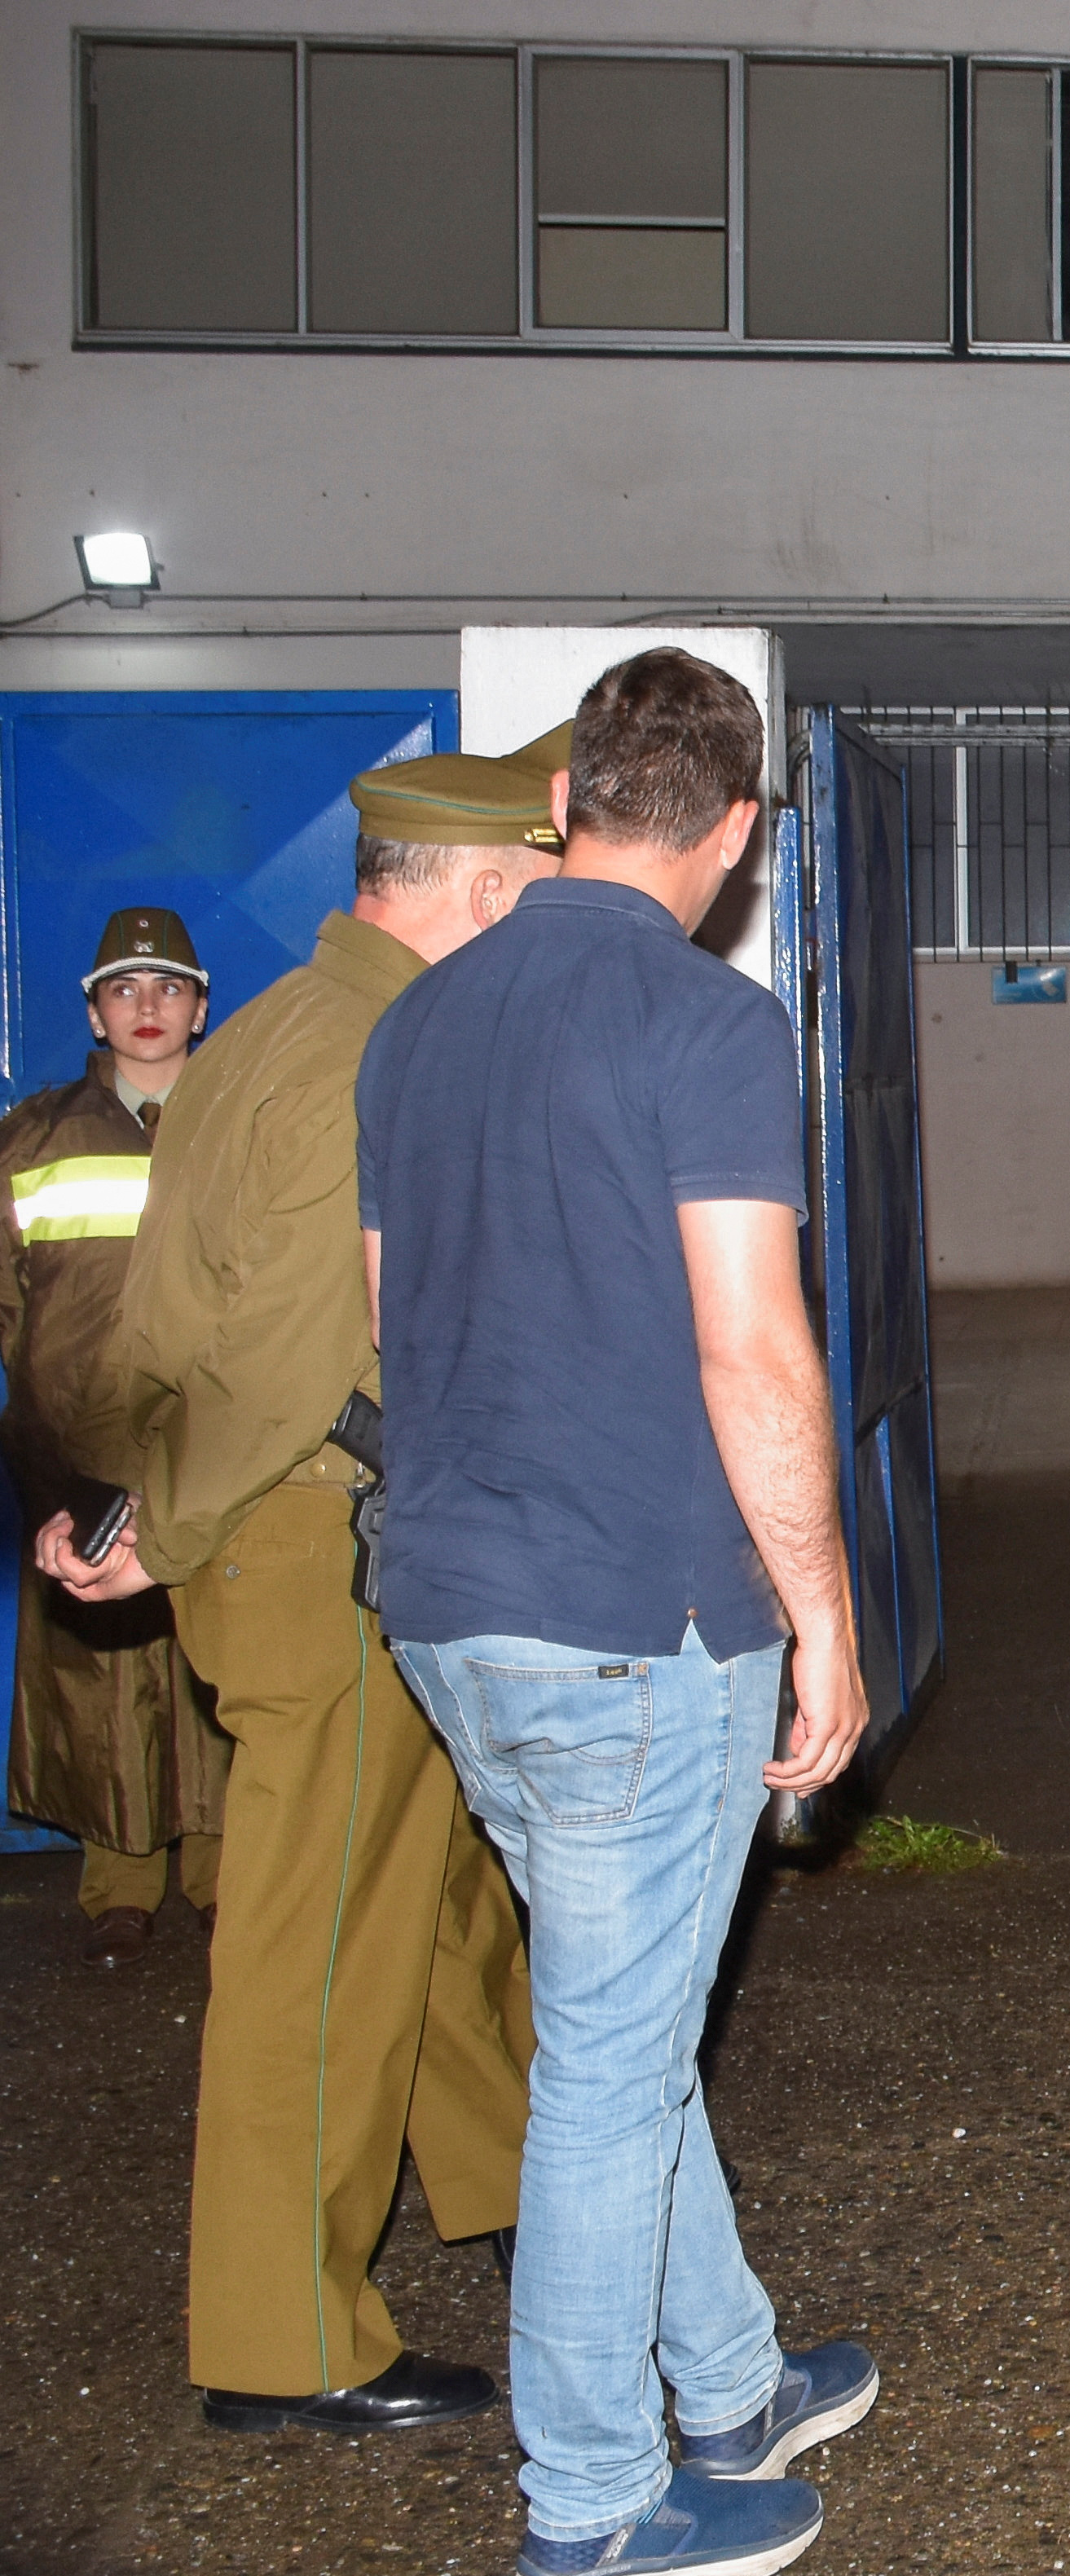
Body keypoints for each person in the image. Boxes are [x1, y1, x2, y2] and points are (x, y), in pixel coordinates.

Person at [354, 650, 874, 2576]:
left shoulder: (418, 1027)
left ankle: (732, 2392)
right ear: (736, 836)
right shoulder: (705, 1023)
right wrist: (822, 1618)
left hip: (450, 1605)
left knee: (616, 2025)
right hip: (639, 1616)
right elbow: (752, 1347)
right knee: (603, 2062)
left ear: (568, 789)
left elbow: (405, 1328)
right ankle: (591, 2507)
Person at [44, 748, 561, 2438]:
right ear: (477, 889)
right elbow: (281, 1357)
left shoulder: (271, 1027)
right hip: (312, 1537)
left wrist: (142, 1495)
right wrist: (163, 1527)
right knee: (317, 1942)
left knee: (430, 1897)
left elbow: (162, 1319)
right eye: (532, 890)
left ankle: (501, 2190)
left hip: (302, 1533)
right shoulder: (364, 1049)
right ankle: (291, 2340)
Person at [4, 909, 228, 1965]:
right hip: (77, 1456)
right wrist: (42, 1458)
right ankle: (119, 1884)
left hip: (213, 1451)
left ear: (200, 1004)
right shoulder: (33, 1140)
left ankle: (226, 1873)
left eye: (169, 988)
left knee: (218, 1654)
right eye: (126, 990)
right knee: (97, 1673)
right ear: (94, 1009)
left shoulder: (239, 1130)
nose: (148, 1009)